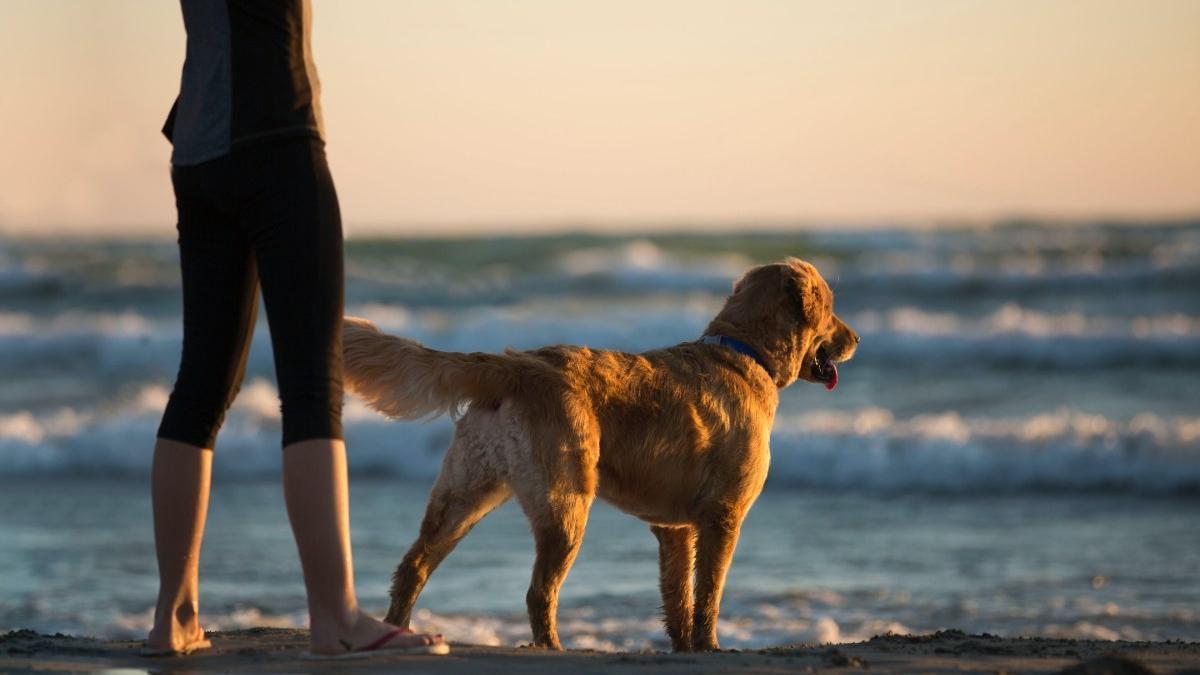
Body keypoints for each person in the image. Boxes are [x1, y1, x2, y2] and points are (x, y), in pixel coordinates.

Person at [143, 0, 448, 658]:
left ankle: (174, 615)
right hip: (277, 136)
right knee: (311, 386)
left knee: (200, 386)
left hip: (198, 151)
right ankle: (335, 617)